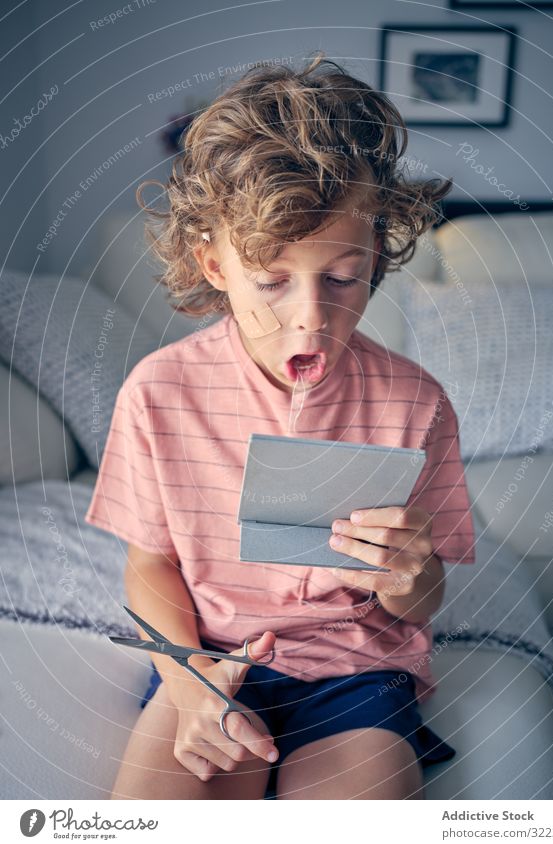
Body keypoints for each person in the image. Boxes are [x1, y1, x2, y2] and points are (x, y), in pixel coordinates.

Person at [85, 51, 476, 801]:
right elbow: (149, 566)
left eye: (341, 276)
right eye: (272, 280)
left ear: (377, 257)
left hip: (354, 675)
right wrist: (191, 677)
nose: (309, 315)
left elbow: (419, 600)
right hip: (211, 663)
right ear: (214, 264)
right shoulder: (158, 394)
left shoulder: (416, 403)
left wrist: (412, 578)